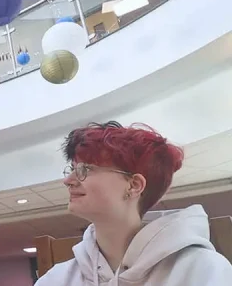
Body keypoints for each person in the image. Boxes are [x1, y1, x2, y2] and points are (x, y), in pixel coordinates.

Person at [35, 121, 232, 285]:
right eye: (72, 169)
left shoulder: (203, 271)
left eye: (85, 169)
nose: (68, 180)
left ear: (134, 185)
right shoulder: (56, 279)